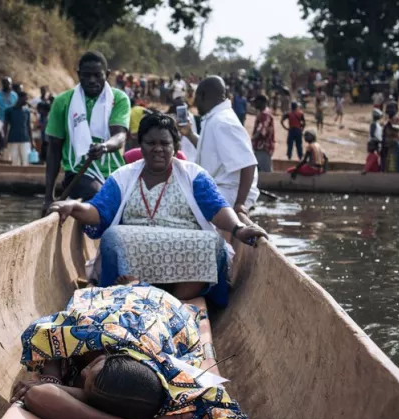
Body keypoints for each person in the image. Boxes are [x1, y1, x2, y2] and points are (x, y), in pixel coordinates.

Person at [48, 113, 267, 305]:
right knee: (113, 237)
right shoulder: (123, 176)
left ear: (175, 147)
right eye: (150, 143)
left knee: (215, 245)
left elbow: (217, 209)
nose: (158, 149)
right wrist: (74, 206)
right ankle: (136, 293)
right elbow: (98, 211)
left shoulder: (194, 175)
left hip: (185, 254)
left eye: (165, 143)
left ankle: (170, 301)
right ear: (140, 145)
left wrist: (238, 229)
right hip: (136, 251)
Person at [14, 282, 247, 419]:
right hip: (140, 305)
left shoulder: (177, 400)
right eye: (92, 368)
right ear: (109, 356)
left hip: (161, 317)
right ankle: (134, 283)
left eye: (85, 382)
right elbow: (42, 331)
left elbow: (39, 396)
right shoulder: (98, 336)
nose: (83, 370)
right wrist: (51, 376)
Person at [43, 51, 130, 211]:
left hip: (113, 172)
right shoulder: (62, 102)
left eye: (97, 75)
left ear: (107, 75)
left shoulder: (118, 99)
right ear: (78, 75)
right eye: (86, 75)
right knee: (98, 195)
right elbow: (54, 148)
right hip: (77, 174)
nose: (92, 81)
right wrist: (49, 197)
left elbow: (120, 135)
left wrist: (104, 147)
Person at [180, 76, 260, 220]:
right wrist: (190, 134)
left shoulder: (223, 121)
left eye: (196, 98)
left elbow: (248, 163)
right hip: (218, 191)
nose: (195, 103)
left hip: (227, 194)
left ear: (202, 96)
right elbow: (211, 152)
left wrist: (240, 204)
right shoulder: (214, 118)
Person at [3, 91, 34, 166]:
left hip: (25, 140)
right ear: (19, 98)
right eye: (25, 99)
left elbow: (28, 126)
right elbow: (5, 126)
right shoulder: (9, 110)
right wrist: (5, 138)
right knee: (14, 162)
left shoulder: (27, 111)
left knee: (25, 162)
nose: (26, 101)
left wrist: (32, 140)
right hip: (13, 139)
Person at [0, 77, 18, 153]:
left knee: (9, 136)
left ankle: (7, 152)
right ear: (3, 84)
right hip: (0, 118)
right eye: (6, 83)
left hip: (11, 119)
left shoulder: (14, 95)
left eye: (9, 83)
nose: (8, 85)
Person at [251, 95, 275, 172]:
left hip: (262, 147)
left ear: (262, 103)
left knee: (265, 173)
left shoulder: (264, 115)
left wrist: (250, 139)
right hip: (262, 147)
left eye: (256, 102)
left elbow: (261, 131)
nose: (254, 104)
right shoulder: (266, 112)